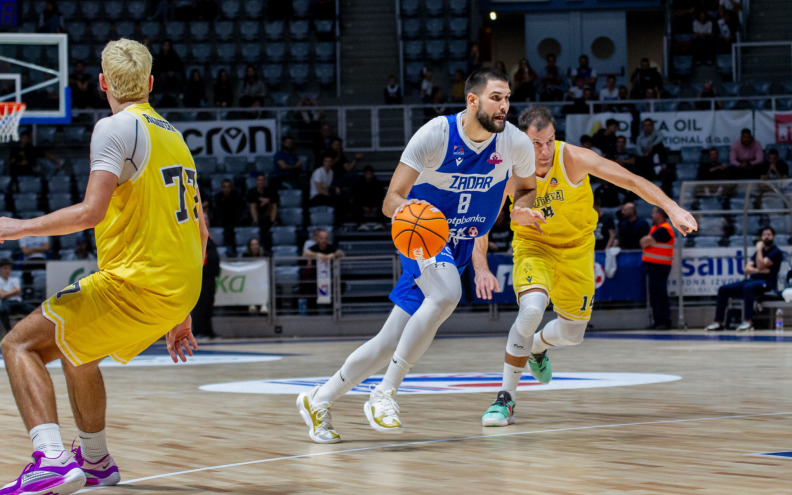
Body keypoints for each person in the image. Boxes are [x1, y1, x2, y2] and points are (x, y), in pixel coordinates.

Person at [0, 38, 206, 495]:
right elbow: (200, 228)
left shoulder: (115, 128)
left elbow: (90, 213)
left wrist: (16, 227)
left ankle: (50, 459)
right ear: (150, 83)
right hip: (179, 288)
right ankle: (94, 462)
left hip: (135, 284)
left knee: (19, 345)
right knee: (80, 352)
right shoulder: (173, 135)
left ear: (101, 84)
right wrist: (181, 309)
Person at [297, 68, 539, 443]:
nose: (504, 106)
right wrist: (414, 215)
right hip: (424, 234)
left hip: (460, 242)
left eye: (507, 98)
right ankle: (385, 392)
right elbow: (390, 200)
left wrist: (523, 207)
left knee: (389, 340)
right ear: (472, 100)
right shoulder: (435, 135)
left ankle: (319, 399)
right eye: (496, 97)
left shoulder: (515, 143)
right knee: (446, 295)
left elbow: (525, 189)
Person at [478, 106, 696, 426]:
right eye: (536, 144)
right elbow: (480, 225)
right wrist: (481, 266)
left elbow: (631, 180)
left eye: (549, 141)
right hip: (533, 247)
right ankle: (505, 398)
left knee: (573, 334)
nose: (544, 150)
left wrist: (672, 207)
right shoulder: (506, 170)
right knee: (532, 309)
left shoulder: (574, 158)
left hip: (578, 249)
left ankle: (537, 347)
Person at [705, 227, 782, 332]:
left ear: (773, 237)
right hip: (752, 281)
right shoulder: (758, 253)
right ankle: (718, 322)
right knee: (723, 289)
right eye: (764, 235)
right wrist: (758, 270)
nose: (766, 237)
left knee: (748, 287)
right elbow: (747, 269)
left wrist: (759, 249)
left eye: (769, 234)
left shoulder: (776, 252)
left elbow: (761, 264)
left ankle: (748, 321)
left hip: (767, 283)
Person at [641, 207, 675, 329]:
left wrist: (646, 241)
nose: (652, 216)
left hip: (660, 266)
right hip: (654, 266)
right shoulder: (656, 228)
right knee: (655, 294)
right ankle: (657, 321)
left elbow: (645, 242)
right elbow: (645, 241)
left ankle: (665, 321)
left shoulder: (664, 229)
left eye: (654, 213)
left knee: (660, 294)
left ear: (660, 215)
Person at [192, 204, 219, 339]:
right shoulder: (197, 235)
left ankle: (208, 331)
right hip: (201, 277)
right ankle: (198, 331)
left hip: (210, 278)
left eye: (207, 219)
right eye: (203, 218)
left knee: (208, 306)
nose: (206, 221)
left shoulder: (208, 235)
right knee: (199, 307)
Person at [0, 259, 34, 337]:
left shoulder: (14, 279)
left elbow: (18, 291)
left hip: (17, 302)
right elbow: (2, 295)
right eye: (5, 268)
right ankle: (8, 331)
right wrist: (13, 292)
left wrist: (6, 292)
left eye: (9, 268)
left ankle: (30, 332)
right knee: (3, 311)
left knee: (33, 310)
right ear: (0, 269)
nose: (7, 271)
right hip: (6, 303)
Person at [246, 173, 278, 254]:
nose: (261, 182)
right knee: (253, 205)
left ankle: (273, 221)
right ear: (256, 181)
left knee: (273, 205)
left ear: (265, 181)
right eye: (259, 180)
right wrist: (264, 200)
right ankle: (255, 222)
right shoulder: (252, 191)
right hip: (257, 214)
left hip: (268, 214)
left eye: (262, 180)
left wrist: (266, 201)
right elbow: (252, 202)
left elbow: (274, 201)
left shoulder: (270, 191)